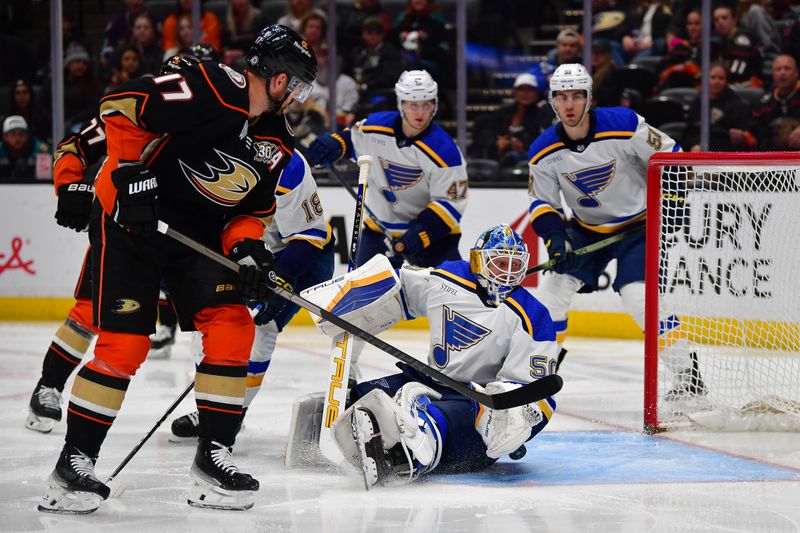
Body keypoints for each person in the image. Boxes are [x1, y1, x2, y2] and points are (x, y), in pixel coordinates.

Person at [38, 24, 317, 514]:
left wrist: (248, 249)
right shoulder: (214, 86)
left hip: (195, 237)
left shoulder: (277, 142)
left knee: (233, 326)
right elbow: (120, 106)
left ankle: (213, 457)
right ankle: (73, 464)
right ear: (276, 76)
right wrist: (128, 172)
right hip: (129, 227)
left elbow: (248, 212)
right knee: (125, 344)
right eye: (296, 83)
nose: (297, 95)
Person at [294, 225, 559, 485]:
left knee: (432, 420)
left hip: (472, 401)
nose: (507, 274)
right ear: (478, 260)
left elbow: (534, 393)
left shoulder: (533, 316)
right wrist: (353, 296)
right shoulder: (448, 279)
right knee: (361, 397)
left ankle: (402, 458)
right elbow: (398, 288)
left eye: (515, 266)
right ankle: (322, 438)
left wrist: (513, 422)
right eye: (500, 263)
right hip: (430, 380)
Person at [526, 63, 705, 399]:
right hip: (587, 229)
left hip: (639, 226)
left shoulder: (624, 124)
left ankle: (689, 378)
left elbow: (671, 156)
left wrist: (677, 199)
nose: (569, 104)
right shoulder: (543, 149)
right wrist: (555, 239)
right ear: (552, 102)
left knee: (638, 297)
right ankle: (540, 375)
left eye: (577, 96)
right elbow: (542, 203)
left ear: (589, 98)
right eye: (562, 97)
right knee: (552, 295)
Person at [170, 150, 336, 440]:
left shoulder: (290, 165)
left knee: (260, 330)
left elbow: (311, 236)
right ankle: (213, 408)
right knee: (208, 327)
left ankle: (234, 413)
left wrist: (281, 279)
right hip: (236, 256)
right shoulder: (206, 149)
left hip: (297, 259)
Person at [305, 69, 467, 270]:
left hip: (434, 238)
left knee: (451, 293)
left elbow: (451, 204)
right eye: (413, 105)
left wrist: (421, 233)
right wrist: (334, 144)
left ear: (434, 106)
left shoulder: (445, 151)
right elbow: (351, 139)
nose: (419, 113)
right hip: (380, 228)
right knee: (362, 295)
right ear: (401, 104)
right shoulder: (376, 126)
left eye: (426, 105)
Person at [471, 73, 544, 167]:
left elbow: (539, 138)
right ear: (515, 92)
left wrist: (516, 143)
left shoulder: (541, 114)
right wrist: (497, 142)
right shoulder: (504, 112)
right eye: (521, 89)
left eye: (530, 89)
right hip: (499, 152)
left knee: (512, 157)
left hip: (527, 157)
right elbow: (491, 131)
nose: (525, 93)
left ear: (536, 93)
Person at [684, 62, 756, 151]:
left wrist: (740, 138)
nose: (716, 81)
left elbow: (748, 136)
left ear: (726, 81)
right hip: (701, 152)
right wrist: (694, 145)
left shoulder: (737, 105)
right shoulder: (698, 102)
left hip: (728, 153)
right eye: (713, 77)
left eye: (721, 78)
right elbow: (690, 132)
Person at [752, 54, 800, 150]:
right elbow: (755, 133)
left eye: (787, 68)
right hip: (774, 159)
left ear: (796, 73)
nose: (782, 73)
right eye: (778, 69)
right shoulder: (764, 103)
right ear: (773, 75)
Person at [0, 115, 50, 183]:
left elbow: (46, 180)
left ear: (27, 135)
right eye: (12, 134)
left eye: (21, 134)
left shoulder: (40, 150)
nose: (17, 138)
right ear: (5, 136)